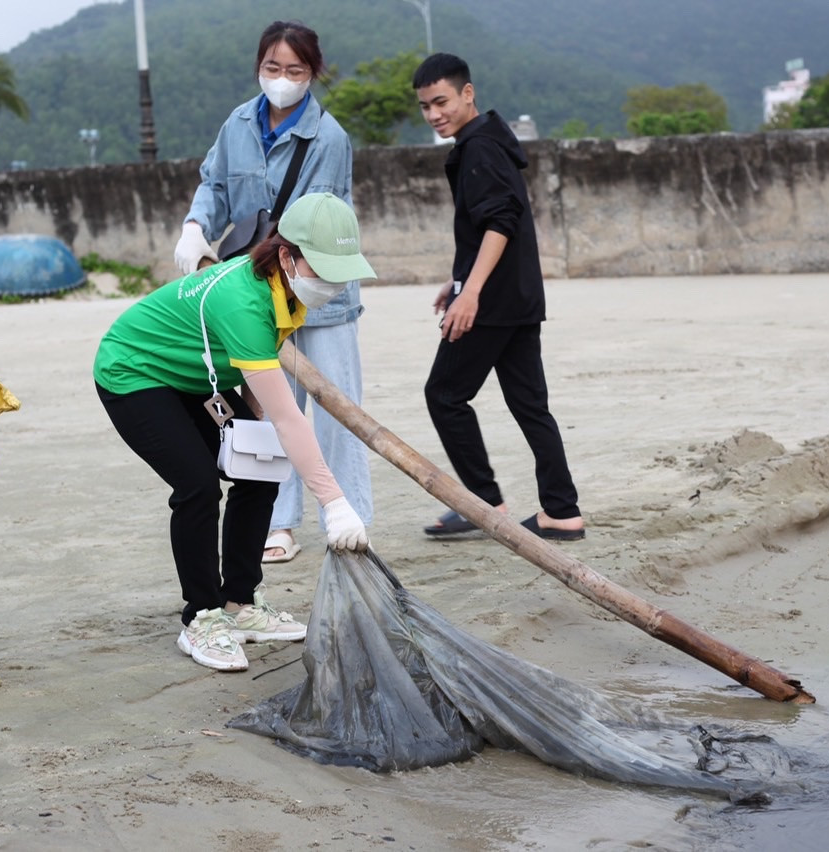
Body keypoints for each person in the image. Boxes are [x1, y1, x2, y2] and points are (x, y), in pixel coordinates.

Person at [96, 192, 376, 672]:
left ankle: (239, 603)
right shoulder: (244, 301)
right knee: (198, 484)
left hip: (198, 376)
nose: (333, 283)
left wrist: (252, 425)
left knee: (262, 465)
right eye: (323, 269)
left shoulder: (285, 288)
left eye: (341, 271)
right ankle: (202, 616)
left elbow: (256, 387)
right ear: (287, 255)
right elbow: (288, 415)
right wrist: (333, 502)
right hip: (135, 372)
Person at [173, 19, 371, 567]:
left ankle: (348, 514)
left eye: (295, 70)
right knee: (269, 408)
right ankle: (279, 523)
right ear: (259, 66)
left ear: (312, 73)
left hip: (317, 289)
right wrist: (196, 227)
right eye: (272, 68)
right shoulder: (236, 124)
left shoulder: (328, 138)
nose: (282, 79)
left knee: (335, 409)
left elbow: (310, 227)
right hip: (260, 292)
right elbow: (214, 185)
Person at [411, 53, 585, 542]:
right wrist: (459, 278)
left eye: (441, 101)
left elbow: (499, 222)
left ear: (468, 94)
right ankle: (561, 510)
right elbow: (494, 222)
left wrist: (472, 293)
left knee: (444, 394)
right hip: (519, 297)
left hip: (493, 304)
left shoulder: (480, 149)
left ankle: (483, 502)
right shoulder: (488, 142)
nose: (433, 114)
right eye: (425, 106)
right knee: (530, 405)